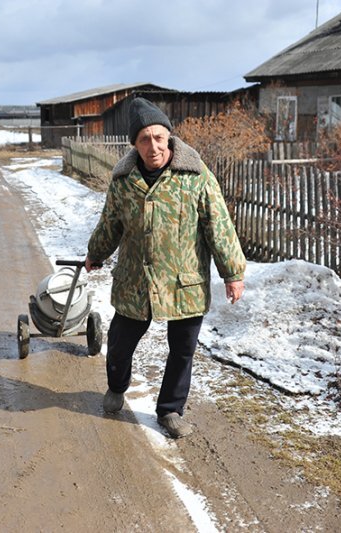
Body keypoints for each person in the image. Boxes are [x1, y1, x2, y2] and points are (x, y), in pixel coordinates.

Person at [85, 97, 246, 439]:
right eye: (145, 139)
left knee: (183, 349)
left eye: (159, 137)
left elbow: (219, 224)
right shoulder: (123, 180)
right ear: (135, 144)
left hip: (184, 279)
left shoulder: (195, 175)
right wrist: (95, 253)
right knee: (119, 344)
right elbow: (110, 224)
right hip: (135, 280)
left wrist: (232, 272)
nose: (153, 146)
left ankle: (171, 410)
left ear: (169, 138)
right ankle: (117, 385)